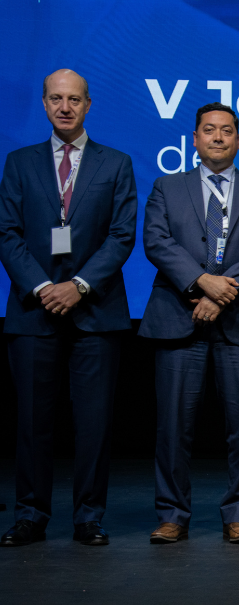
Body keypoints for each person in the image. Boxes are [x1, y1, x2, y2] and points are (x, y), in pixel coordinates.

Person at [0, 69, 138, 546]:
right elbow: (7, 233)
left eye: (74, 99)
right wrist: (43, 287)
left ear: (88, 105)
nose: (65, 107)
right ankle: (30, 515)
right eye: (56, 99)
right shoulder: (18, 162)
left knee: (94, 425)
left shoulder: (116, 163)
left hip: (96, 313)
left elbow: (121, 236)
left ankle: (88, 518)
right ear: (43, 103)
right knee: (32, 423)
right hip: (32, 311)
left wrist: (79, 285)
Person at [139, 102, 239, 544]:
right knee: (172, 427)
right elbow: (156, 242)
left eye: (226, 131)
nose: (217, 137)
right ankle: (172, 515)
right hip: (178, 318)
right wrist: (202, 282)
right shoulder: (167, 186)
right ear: (195, 139)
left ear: (238, 140)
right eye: (209, 130)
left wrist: (220, 295)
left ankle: (238, 515)